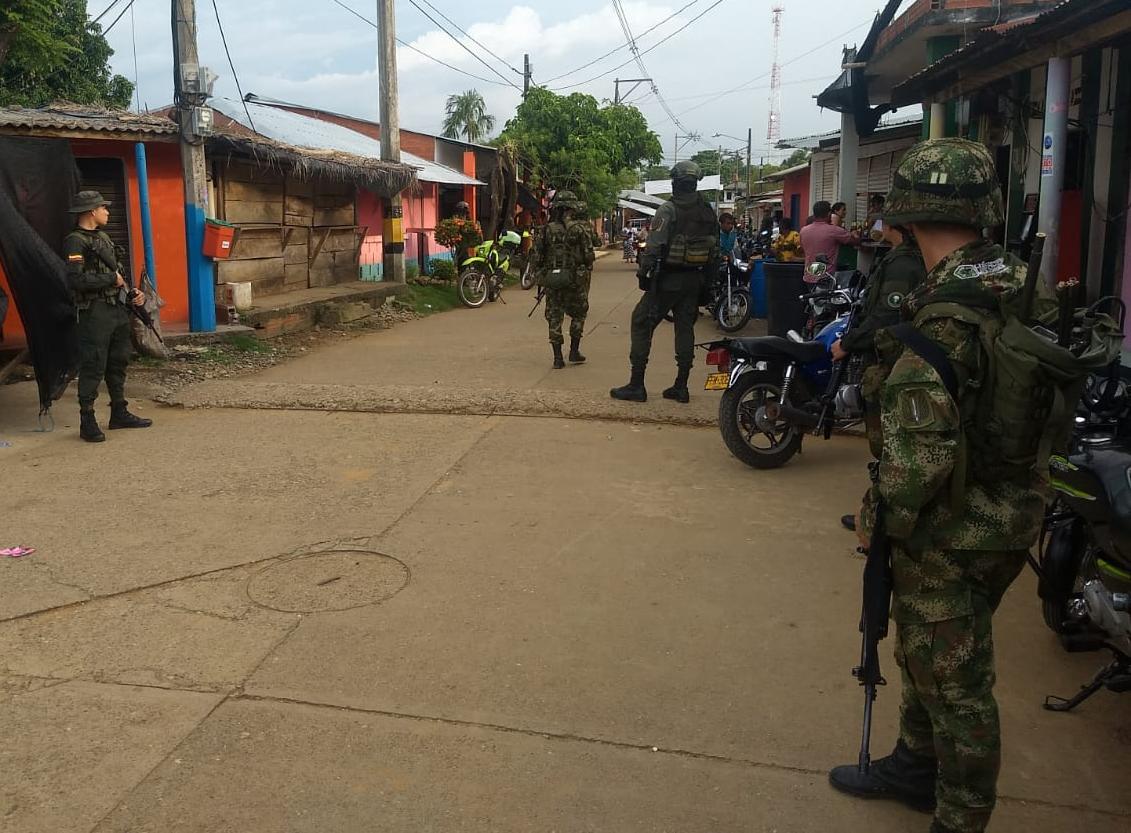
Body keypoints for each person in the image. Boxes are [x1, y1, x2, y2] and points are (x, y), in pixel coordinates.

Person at [828, 138, 1049, 833]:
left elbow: (916, 462)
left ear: (910, 214)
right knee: (928, 654)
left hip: (952, 525)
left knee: (956, 685)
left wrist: (876, 514)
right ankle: (913, 766)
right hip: (1006, 508)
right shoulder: (1013, 282)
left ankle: (956, 817)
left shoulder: (945, 317)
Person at [830, 217, 926, 530]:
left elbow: (885, 316)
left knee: (886, 444)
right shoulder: (912, 257)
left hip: (891, 360)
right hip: (902, 357)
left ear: (893, 226)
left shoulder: (902, 264)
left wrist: (849, 343)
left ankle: (882, 521)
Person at [610, 161, 719, 404]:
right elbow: (715, 251)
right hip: (695, 279)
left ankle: (637, 385)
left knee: (641, 322)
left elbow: (655, 246)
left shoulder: (668, 210)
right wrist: (708, 285)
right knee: (685, 329)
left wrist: (644, 274)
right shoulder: (707, 212)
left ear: (676, 183)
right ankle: (681, 386)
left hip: (668, 279)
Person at [63, 190, 151, 443]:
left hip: (117, 309)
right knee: (93, 364)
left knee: (118, 361)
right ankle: (87, 419)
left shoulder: (103, 237)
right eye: (104, 208)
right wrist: (110, 279)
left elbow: (117, 272)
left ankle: (119, 412)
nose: (108, 212)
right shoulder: (75, 241)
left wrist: (132, 291)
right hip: (94, 313)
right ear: (92, 211)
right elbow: (75, 280)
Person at [532, 190, 594, 369]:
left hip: (553, 279)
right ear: (572, 209)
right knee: (579, 314)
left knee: (554, 317)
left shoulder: (546, 230)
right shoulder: (580, 229)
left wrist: (542, 276)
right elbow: (589, 255)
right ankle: (574, 351)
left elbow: (537, 257)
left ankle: (558, 358)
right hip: (575, 280)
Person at [800, 200, 858, 271]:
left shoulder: (803, 230)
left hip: (809, 275)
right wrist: (855, 234)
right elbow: (855, 242)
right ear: (829, 214)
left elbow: (803, 249)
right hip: (827, 276)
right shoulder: (834, 230)